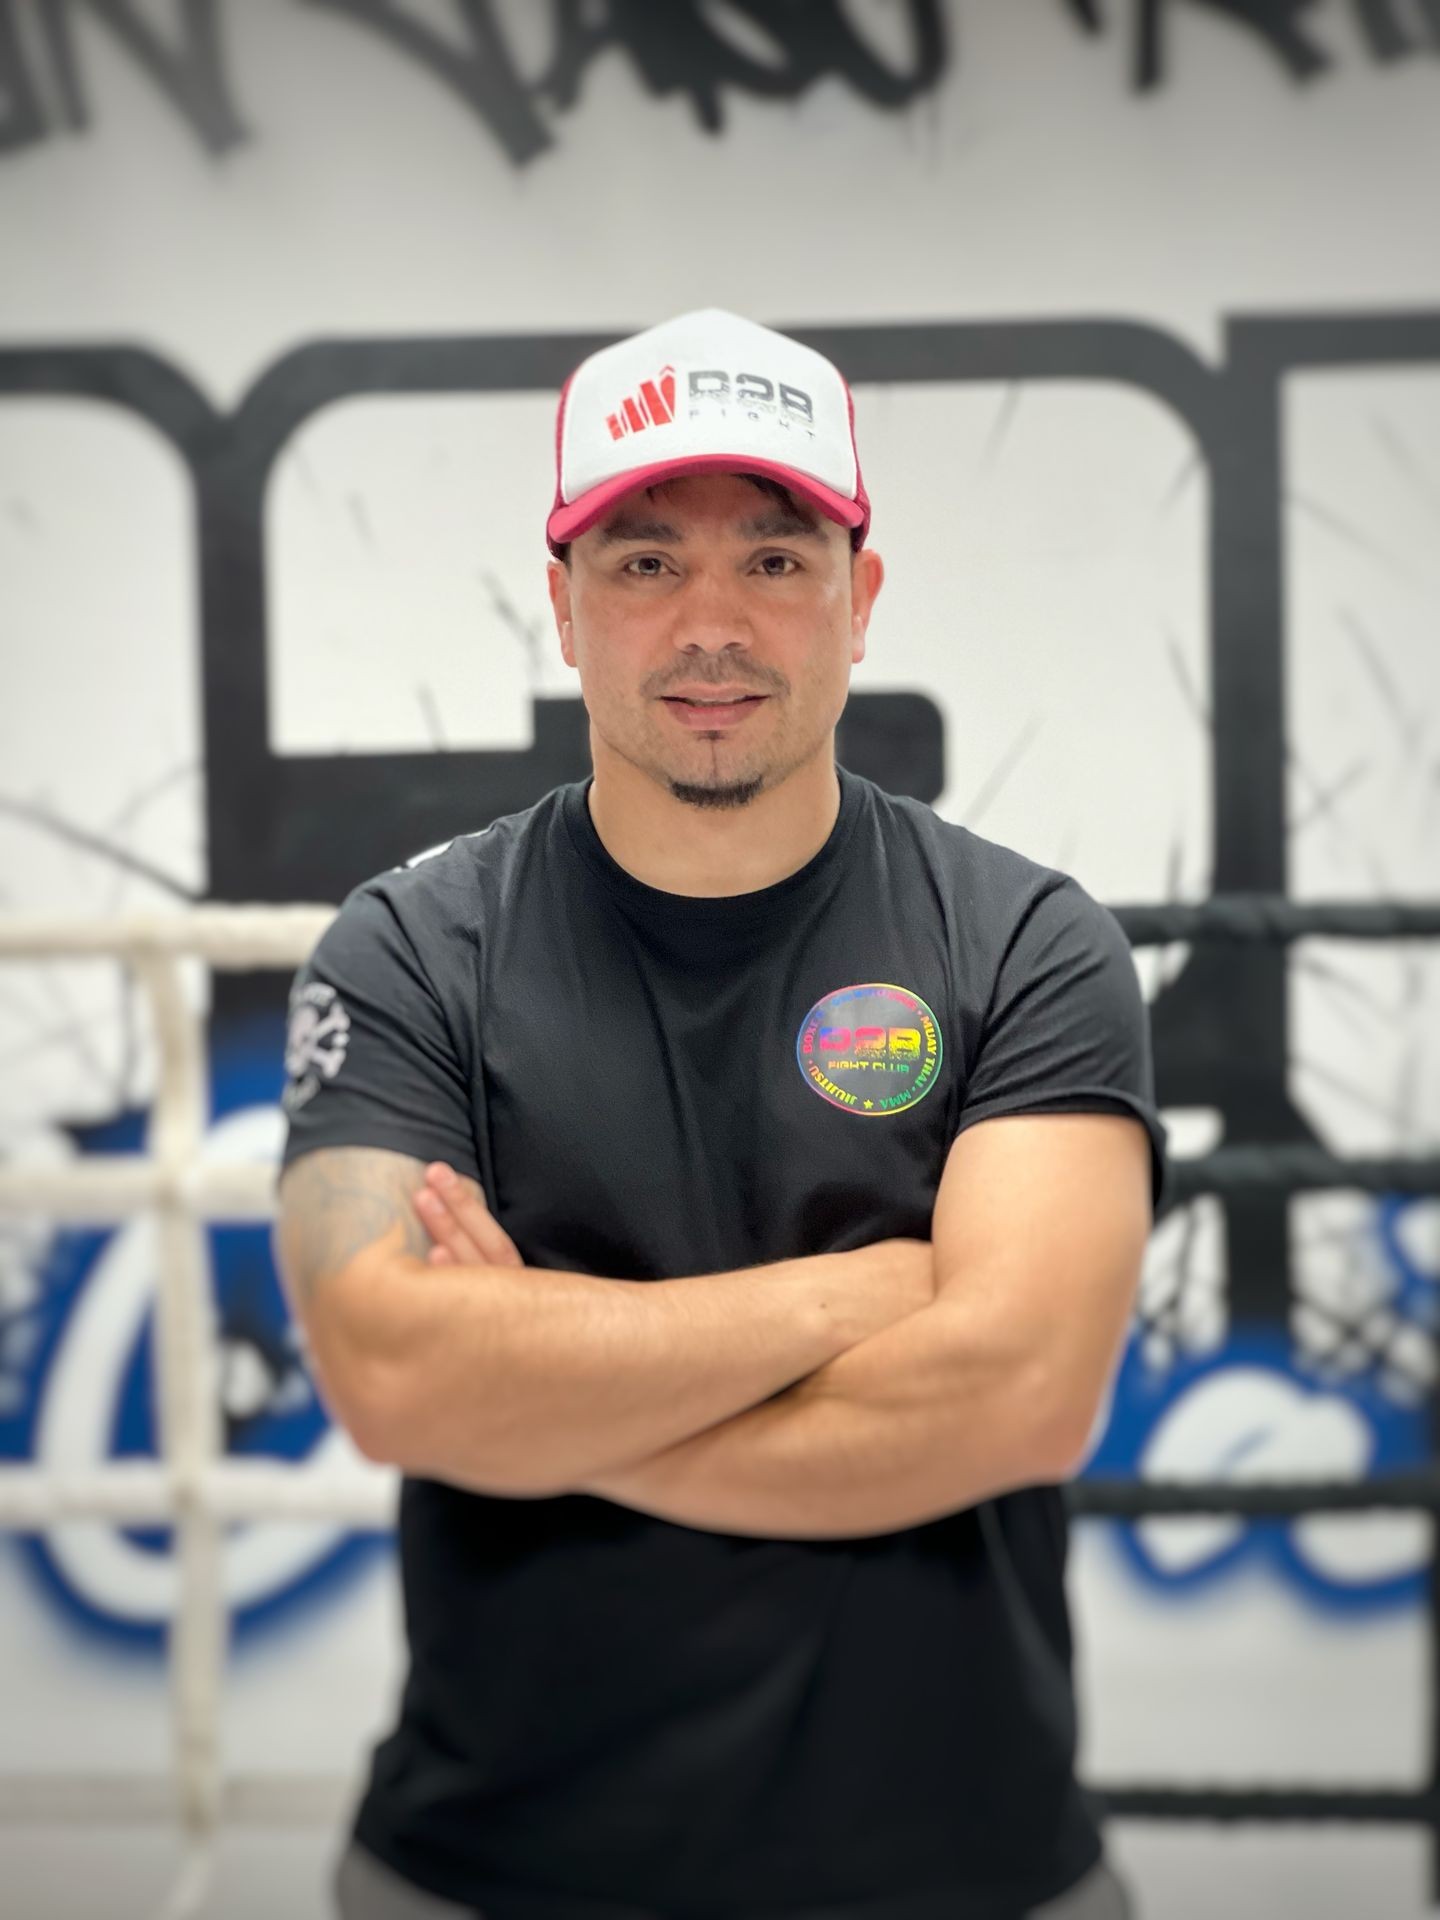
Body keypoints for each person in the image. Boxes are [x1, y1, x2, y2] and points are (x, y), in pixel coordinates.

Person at [274, 307, 1166, 1920]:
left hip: (966, 1881)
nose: (711, 624)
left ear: (859, 599)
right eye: (640, 563)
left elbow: (1022, 1397)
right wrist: (861, 1295)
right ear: (560, 607)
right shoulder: (411, 950)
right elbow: (397, 1372)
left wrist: (544, 1397)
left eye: (773, 560)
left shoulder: (1030, 942)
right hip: (491, 1879)